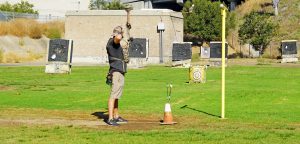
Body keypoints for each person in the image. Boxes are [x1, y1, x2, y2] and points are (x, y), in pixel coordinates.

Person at [105, 26, 129, 126]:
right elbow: (117, 38)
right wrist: (122, 35)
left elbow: (119, 39)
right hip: (115, 71)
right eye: (120, 33)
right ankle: (110, 118)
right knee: (113, 95)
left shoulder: (116, 42)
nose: (121, 35)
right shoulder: (112, 42)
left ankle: (116, 116)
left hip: (120, 70)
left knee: (117, 95)